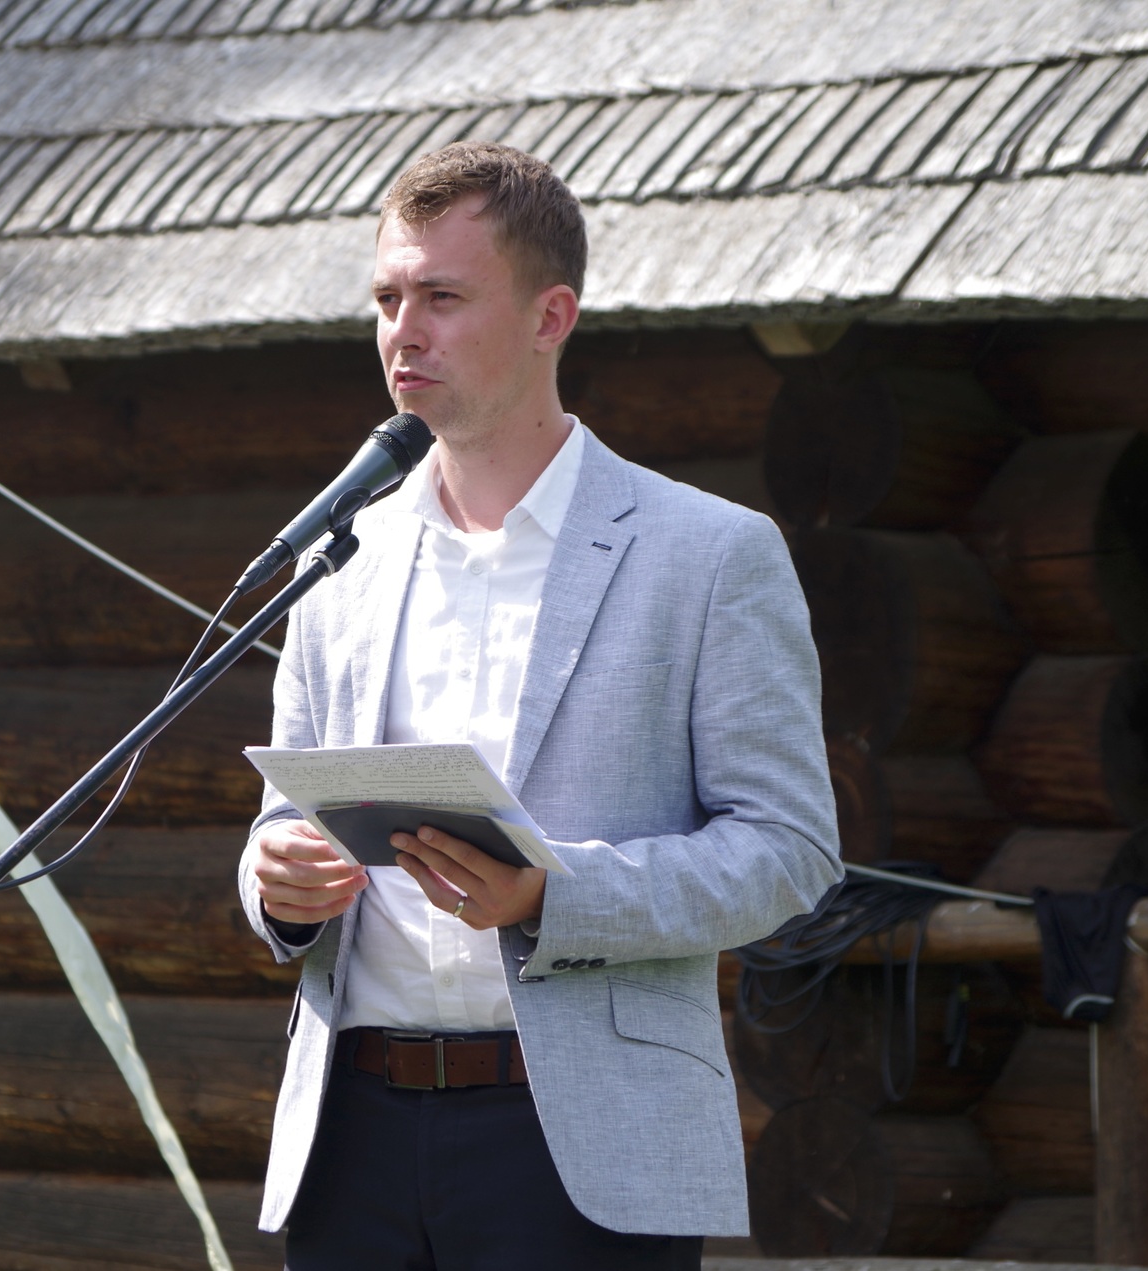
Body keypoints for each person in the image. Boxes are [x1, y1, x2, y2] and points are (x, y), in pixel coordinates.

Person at [236, 141, 842, 1269]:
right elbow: (285, 817)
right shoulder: (342, 559)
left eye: (443, 297)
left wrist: (553, 893)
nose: (403, 332)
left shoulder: (709, 552)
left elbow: (790, 849)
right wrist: (279, 885)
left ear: (549, 317)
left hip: (581, 1143)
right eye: (387, 299)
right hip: (349, 1134)